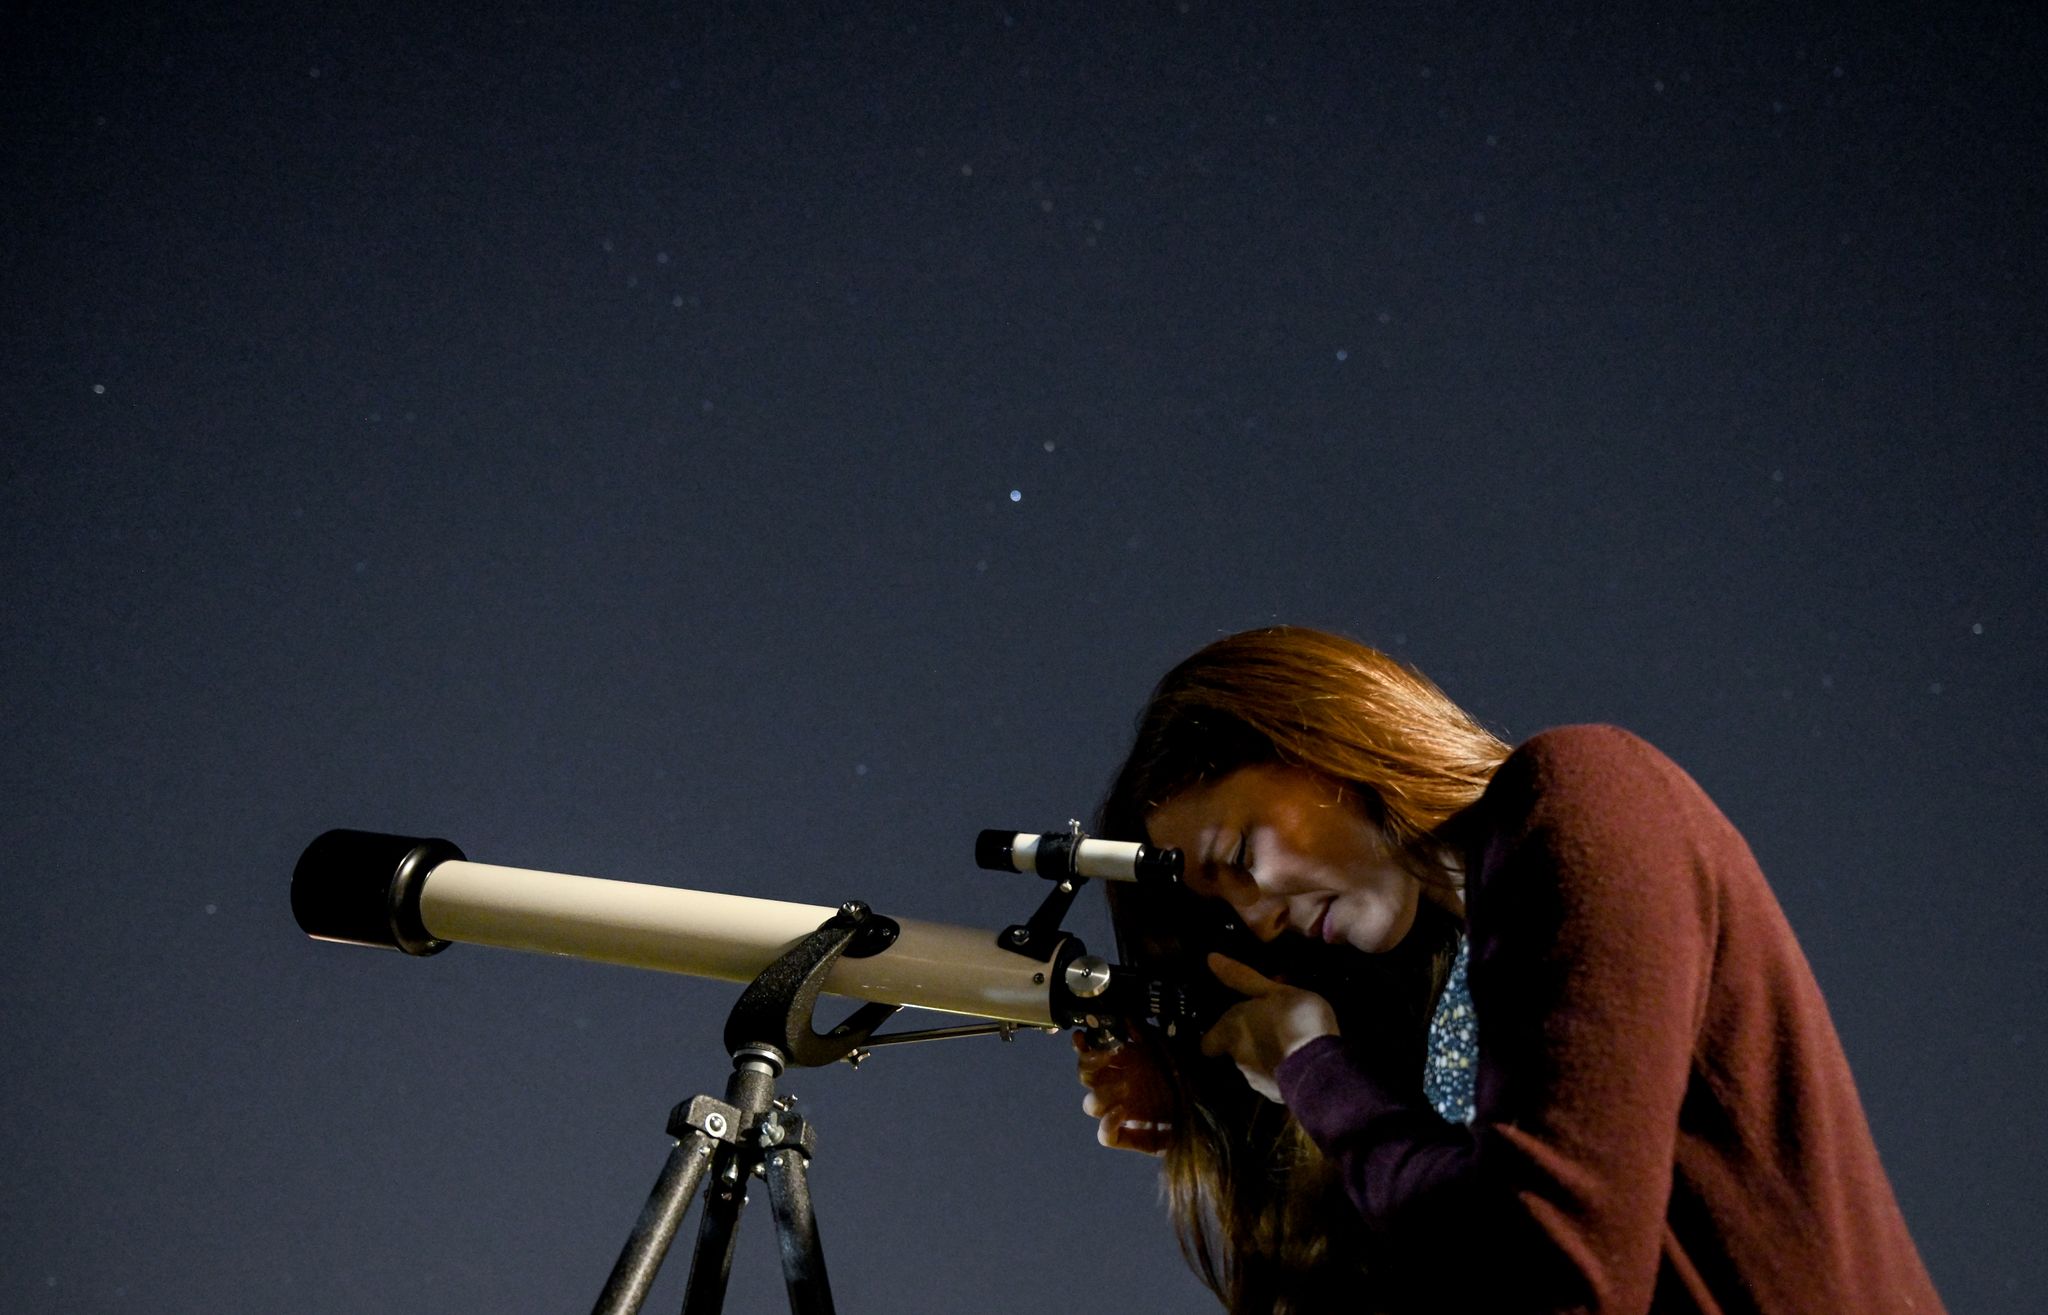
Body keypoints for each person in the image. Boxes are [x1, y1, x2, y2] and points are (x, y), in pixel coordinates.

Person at [1078, 626, 1945, 1315]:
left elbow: (1552, 1273)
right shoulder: (1460, 981)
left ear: (1319, 739)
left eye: (1240, 854)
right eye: (1229, 911)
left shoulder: (1584, 792)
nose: (1261, 918)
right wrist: (1200, 1097)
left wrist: (1315, 1070)